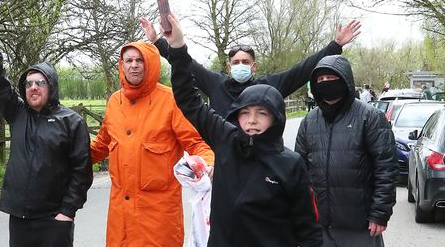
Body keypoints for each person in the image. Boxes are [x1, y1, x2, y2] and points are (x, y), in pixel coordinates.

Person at [164, 13, 322, 247]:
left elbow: (309, 230)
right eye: (245, 113)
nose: (252, 121)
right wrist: (177, 47)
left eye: (262, 113)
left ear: (276, 118)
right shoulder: (225, 138)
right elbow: (189, 100)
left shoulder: (291, 164)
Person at [90, 41, 214, 247]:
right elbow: (101, 145)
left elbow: (197, 143)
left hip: (158, 222)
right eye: (128, 60)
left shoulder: (170, 100)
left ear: (151, 64)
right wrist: (67, 157)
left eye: (140, 60)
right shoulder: (114, 102)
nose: (134, 65)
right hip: (120, 222)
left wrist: (207, 163)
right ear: (122, 65)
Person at [0, 31, 92, 247]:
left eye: (40, 82)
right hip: (20, 218)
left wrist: (67, 212)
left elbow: (82, 172)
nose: (33, 87)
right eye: (29, 83)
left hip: (55, 219)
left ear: (51, 85)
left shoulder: (71, 121)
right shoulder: (17, 113)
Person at [141, 18, 361, 117]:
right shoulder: (215, 84)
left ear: (253, 66)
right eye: (236, 63)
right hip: (225, 166)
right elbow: (185, 64)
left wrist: (335, 45)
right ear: (228, 67)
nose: (240, 66)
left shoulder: (269, 87)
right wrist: (159, 41)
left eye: (245, 62)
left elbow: (302, 70)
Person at [295, 55, 397, 247]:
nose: (326, 83)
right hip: (320, 225)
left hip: (360, 225)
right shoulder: (308, 122)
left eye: (331, 78)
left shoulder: (370, 117)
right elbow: (299, 171)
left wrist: (380, 212)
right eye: (321, 80)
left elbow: (386, 168)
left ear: (345, 79)